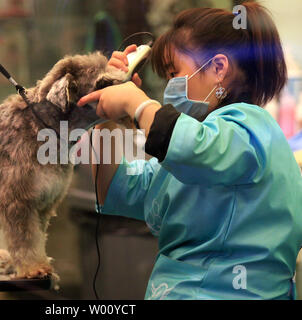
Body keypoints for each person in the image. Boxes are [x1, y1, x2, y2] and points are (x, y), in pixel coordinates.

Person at [77, 2, 302, 300]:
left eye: (174, 73)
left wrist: (137, 104)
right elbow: (112, 187)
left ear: (219, 68)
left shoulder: (251, 127)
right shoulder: (189, 148)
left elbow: (193, 148)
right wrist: (104, 117)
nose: (170, 86)